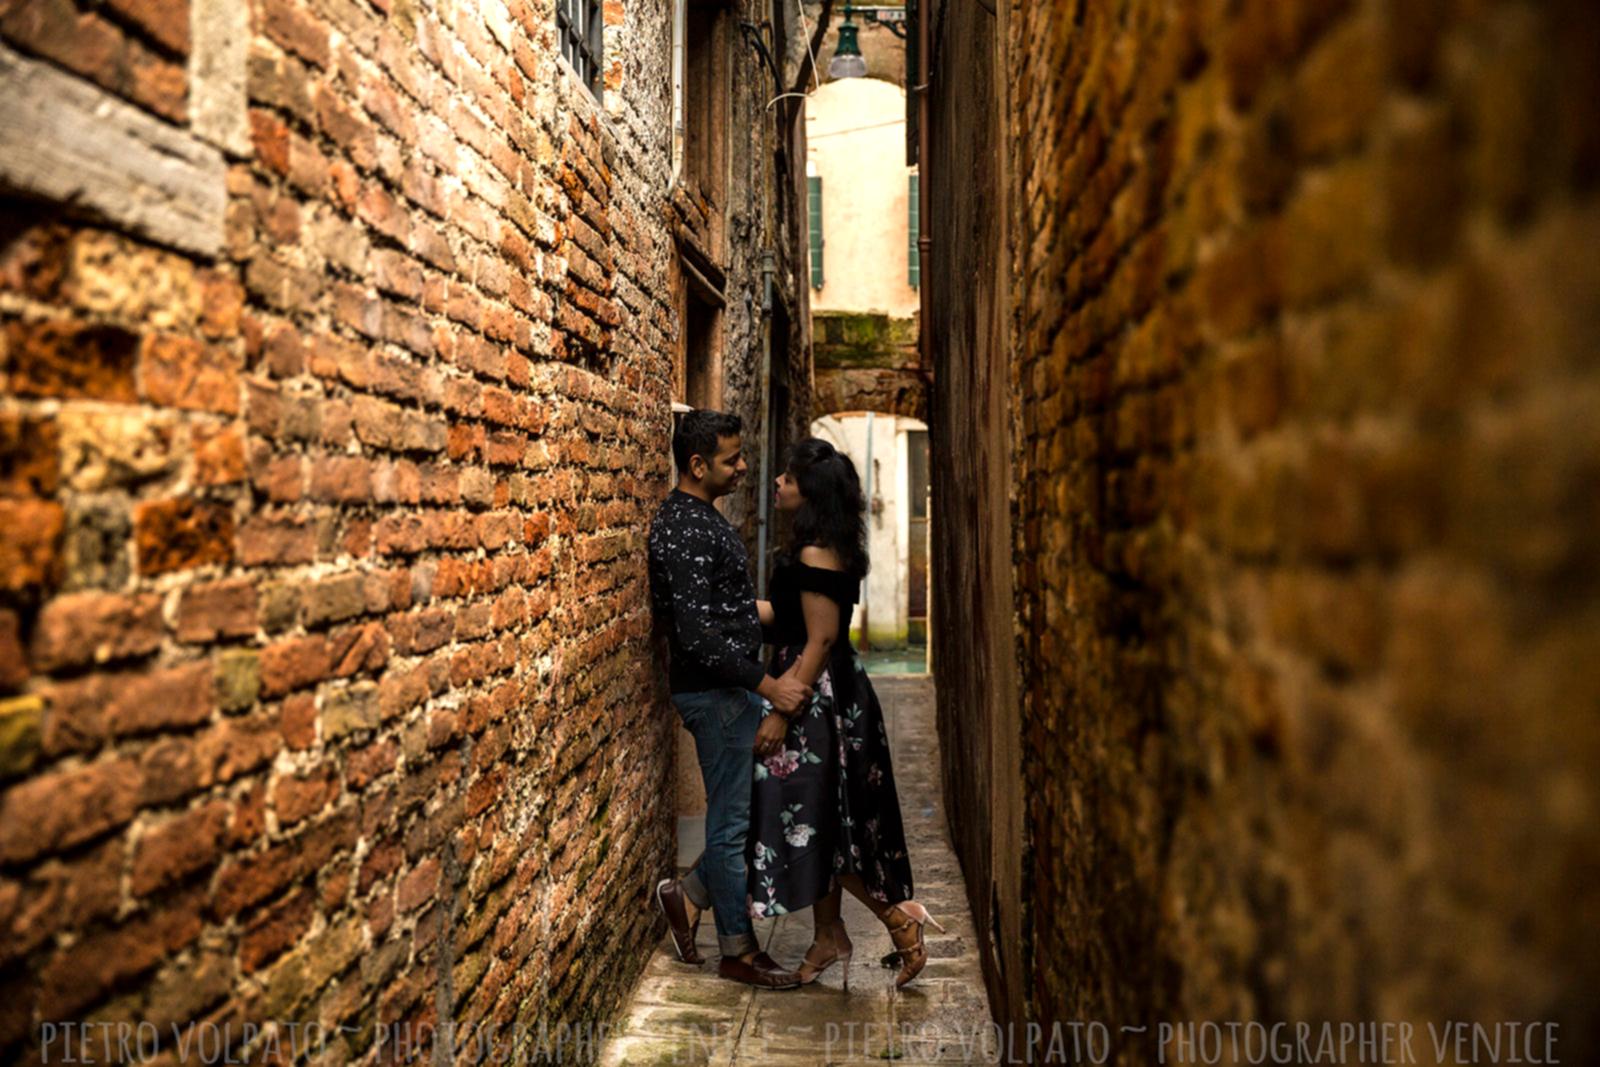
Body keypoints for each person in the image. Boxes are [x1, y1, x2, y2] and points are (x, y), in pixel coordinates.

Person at [745, 437, 944, 990]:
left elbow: (822, 636)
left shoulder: (816, 553)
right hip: (824, 691)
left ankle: (898, 920)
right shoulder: (821, 547)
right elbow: (789, 615)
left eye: (787, 478)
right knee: (824, 819)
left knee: (821, 823)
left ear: (808, 492)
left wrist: (784, 710)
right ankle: (828, 935)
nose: (778, 484)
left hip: (817, 701)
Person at [646, 409, 812, 990]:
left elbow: (729, 615)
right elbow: (695, 634)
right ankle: (737, 952)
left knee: (741, 819)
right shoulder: (686, 528)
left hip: (728, 692)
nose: (745, 467)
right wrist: (769, 686)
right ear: (697, 465)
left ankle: (687, 897)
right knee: (730, 827)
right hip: (716, 696)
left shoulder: (701, 520)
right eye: (732, 459)